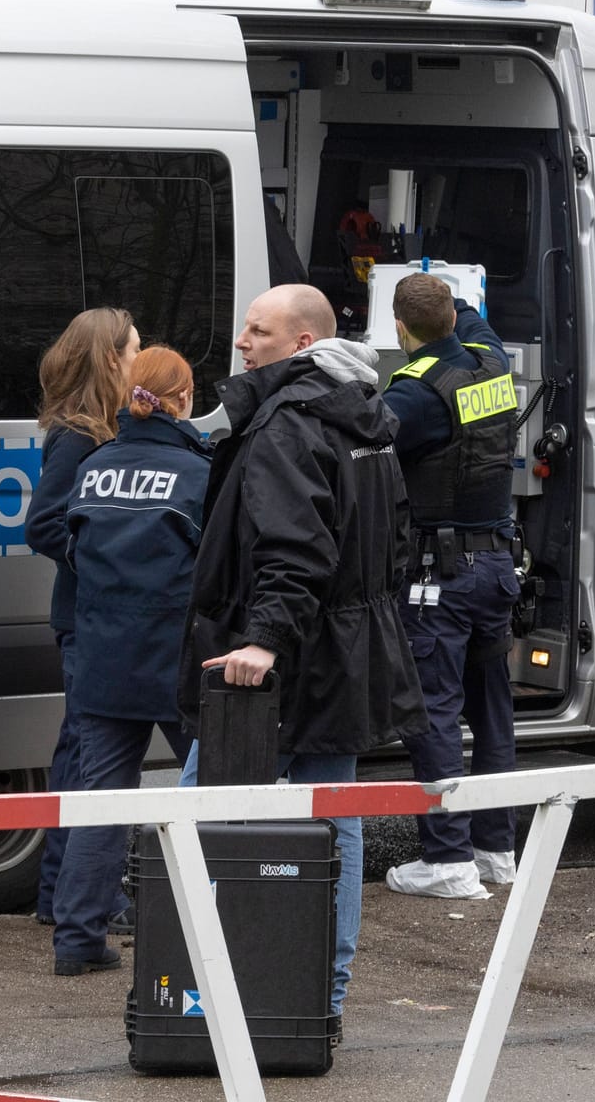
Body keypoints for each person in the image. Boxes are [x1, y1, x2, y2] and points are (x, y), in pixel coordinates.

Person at [179, 283, 426, 1035]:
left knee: (192, 813)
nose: (242, 343)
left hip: (288, 656)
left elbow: (294, 548)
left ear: (300, 345)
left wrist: (264, 640)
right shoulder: (364, 412)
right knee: (334, 816)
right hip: (347, 651)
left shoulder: (290, 421)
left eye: (258, 331)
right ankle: (323, 993)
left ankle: (195, 983)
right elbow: (392, 537)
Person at [51, 348, 212, 976]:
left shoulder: (94, 466)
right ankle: (200, 929)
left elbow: (71, 547)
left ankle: (77, 940)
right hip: (175, 660)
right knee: (206, 794)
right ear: (183, 398)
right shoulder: (198, 472)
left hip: (101, 657)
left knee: (101, 799)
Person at [379, 272, 521, 900]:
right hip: (495, 570)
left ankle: (447, 860)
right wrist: (449, 296)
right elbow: (472, 320)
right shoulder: (492, 365)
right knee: (491, 711)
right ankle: (496, 849)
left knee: (434, 712)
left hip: (441, 577)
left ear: (399, 327)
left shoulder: (414, 395)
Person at [23, 307, 140, 928]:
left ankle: (63, 895)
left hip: (89, 616)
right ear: (109, 359)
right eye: (134, 350)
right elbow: (44, 524)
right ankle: (77, 897)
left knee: (78, 751)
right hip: (86, 616)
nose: (140, 361)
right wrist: (108, 563)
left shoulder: (103, 429)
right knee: (84, 757)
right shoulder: (78, 436)